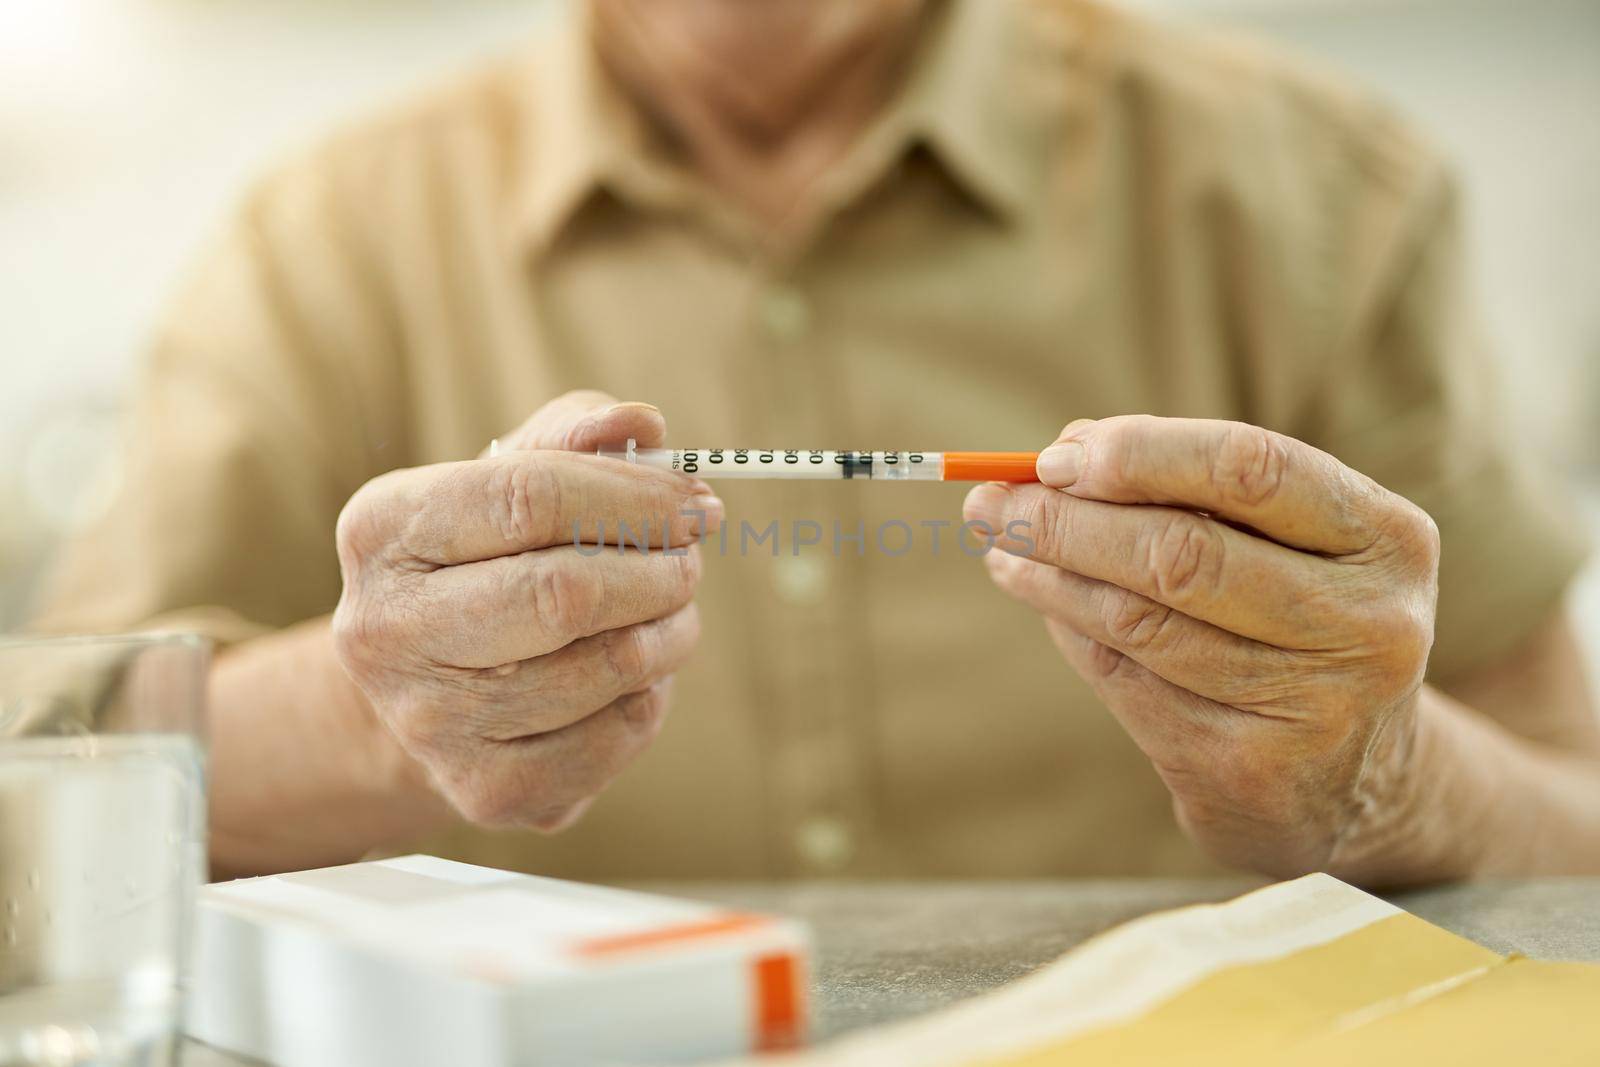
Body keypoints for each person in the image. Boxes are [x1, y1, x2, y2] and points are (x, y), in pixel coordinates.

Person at [33, 0, 1600, 885]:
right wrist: (383, 714)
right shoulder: (328, 239)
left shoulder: (1323, 193)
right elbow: (54, 794)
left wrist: (1380, 782)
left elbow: (1573, 822)